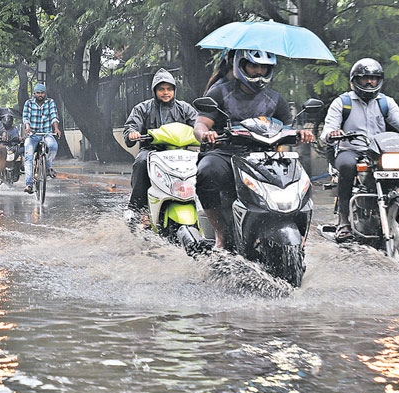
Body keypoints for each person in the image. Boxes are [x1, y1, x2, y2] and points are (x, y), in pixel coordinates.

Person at [194, 49, 315, 249]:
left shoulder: (276, 99)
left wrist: (300, 135)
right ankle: (220, 235)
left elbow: (286, 129)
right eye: (253, 66)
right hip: (227, 153)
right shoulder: (220, 92)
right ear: (241, 66)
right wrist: (205, 134)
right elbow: (201, 124)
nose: (259, 71)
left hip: (265, 156)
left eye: (264, 67)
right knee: (207, 171)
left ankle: (299, 234)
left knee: (302, 181)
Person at [320, 58, 399, 241]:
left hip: (378, 150)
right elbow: (327, 130)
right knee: (347, 167)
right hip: (351, 149)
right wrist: (332, 133)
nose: (369, 82)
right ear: (353, 81)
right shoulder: (342, 102)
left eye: (374, 78)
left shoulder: (385, 102)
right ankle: (344, 221)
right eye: (364, 78)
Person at [122, 68, 198, 217]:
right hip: (152, 151)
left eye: (169, 89)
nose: (165, 92)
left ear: (174, 90)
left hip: (181, 152)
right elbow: (131, 126)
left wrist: (206, 132)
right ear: (154, 90)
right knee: (141, 162)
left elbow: (198, 124)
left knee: (204, 163)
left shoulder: (184, 108)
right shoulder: (143, 108)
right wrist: (132, 133)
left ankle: (204, 205)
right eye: (161, 89)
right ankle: (135, 207)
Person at [22, 83, 61, 194]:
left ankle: (48, 167)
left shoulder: (50, 102)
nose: (40, 95)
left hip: (46, 133)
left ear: (45, 94)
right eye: (38, 93)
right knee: (28, 157)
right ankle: (29, 184)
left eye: (42, 93)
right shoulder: (28, 103)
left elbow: (54, 116)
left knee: (53, 146)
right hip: (32, 135)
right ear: (34, 94)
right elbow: (26, 117)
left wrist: (56, 129)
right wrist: (28, 127)